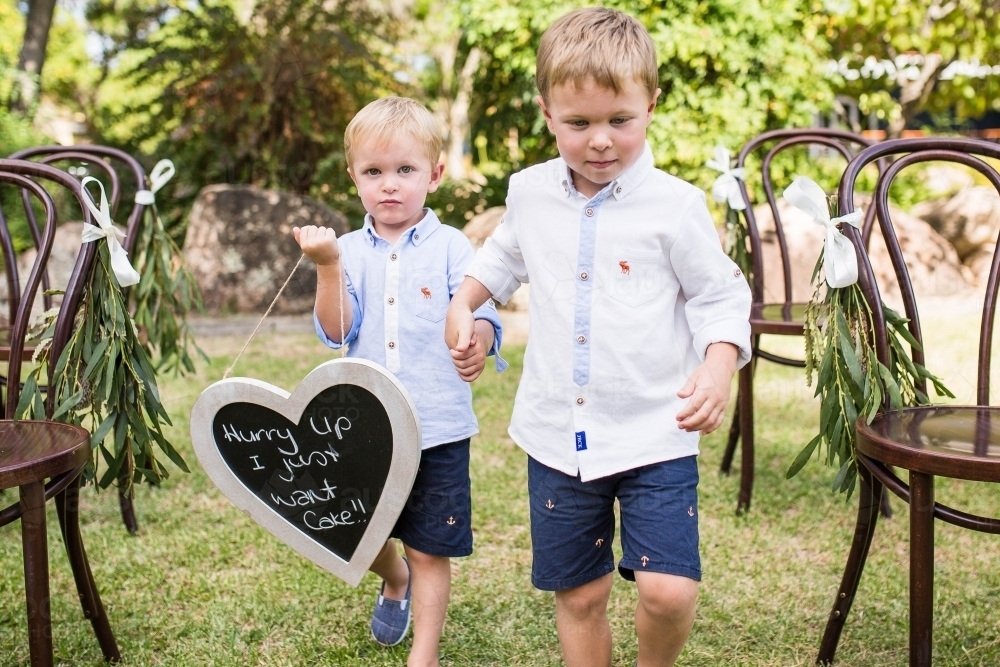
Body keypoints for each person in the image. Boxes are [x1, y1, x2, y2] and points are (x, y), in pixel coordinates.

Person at [444, 8, 751, 667]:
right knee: (580, 596)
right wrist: (465, 302)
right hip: (559, 434)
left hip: (654, 431)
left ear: (651, 105)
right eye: (579, 123)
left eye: (620, 119)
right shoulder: (528, 193)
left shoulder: (675, 206)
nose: (601, 140)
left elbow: (719, 294)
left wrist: (719, 364)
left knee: (668, 590)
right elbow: (499, 259)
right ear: (547, 112)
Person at [293, 96, 505, 667]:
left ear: (434, 174)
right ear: (354, 177)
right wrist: (328, 265)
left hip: (437, 426)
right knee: (358, 529)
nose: (390, 185)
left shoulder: (452, 246)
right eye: (374, 172)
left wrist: (480, 339)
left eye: (405, 170)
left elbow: (478, 307)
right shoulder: (348, 251)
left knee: (431, 544)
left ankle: (425, 655)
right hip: (364, 426)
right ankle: (394, 578)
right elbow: (338, 330)